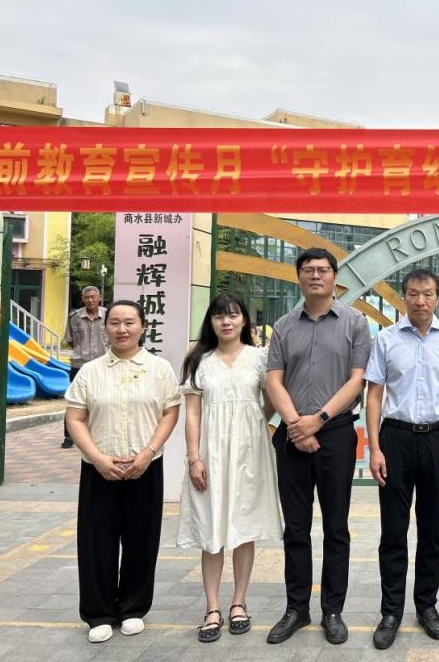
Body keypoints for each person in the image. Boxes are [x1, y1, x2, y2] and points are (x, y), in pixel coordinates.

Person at [264, 248, 372, 645]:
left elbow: (358, 380)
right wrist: (297, 424)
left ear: (334, 277)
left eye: (322, 270)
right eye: (308, 270)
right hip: (292, 435)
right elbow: (274, 380)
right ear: (298, 277)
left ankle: (332, 610)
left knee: (335, 526)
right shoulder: (283, 326)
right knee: (295, 527)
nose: (315, 276)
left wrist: (318, 420)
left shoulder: (355, 323)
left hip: (336, 433)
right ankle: (296, 608)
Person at [365, 268, 439, 650]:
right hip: (395, 437)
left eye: (427, 294)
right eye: (413, 293)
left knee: (432, 531)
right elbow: (374, 394)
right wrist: (375, 447)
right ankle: (391, 612)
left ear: (437, 298)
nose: (420, 301)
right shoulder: (386, 339)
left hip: (438, 439)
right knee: (393, 531)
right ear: (404, 297)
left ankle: (427, 605)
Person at [64, 300, 181, 643]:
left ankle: (133, 608)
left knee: (141, 539)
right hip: (98, 469)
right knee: (96, 541)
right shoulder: (91, 371)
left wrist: (148, 452)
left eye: (129, 322)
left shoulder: (159, 369)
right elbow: (75, 418)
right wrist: (97, 458)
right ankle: (98, 612)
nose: (122, 329)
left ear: (143, 327)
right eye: (115, 322)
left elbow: (170, 412)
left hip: (145, 467)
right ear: (106, 328)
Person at [175, 293, 283, 642]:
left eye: (233, 315)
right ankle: (212, 607)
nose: (226, 321)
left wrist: (255, 421)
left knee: (244, 526)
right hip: (210, 451)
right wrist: (194, 457)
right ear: (210, 322)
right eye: (219, 316)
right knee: (211, 528)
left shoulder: (259, 358)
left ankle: (238, 602)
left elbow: (271, 399)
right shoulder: (198, 360)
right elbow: (192, 413)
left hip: (250, 452)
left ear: (244, 321)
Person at [61, 285, 106, 448]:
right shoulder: (74, 317)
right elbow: (70, 340)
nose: (90, 300)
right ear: (82, 299)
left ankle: (98, 434)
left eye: (93, 296)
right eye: (87, 297)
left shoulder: (108, 315)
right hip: (79, 364)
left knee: (103, 399)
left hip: (103, 365)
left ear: (99, 298)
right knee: (75, 400)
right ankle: (69, 436)